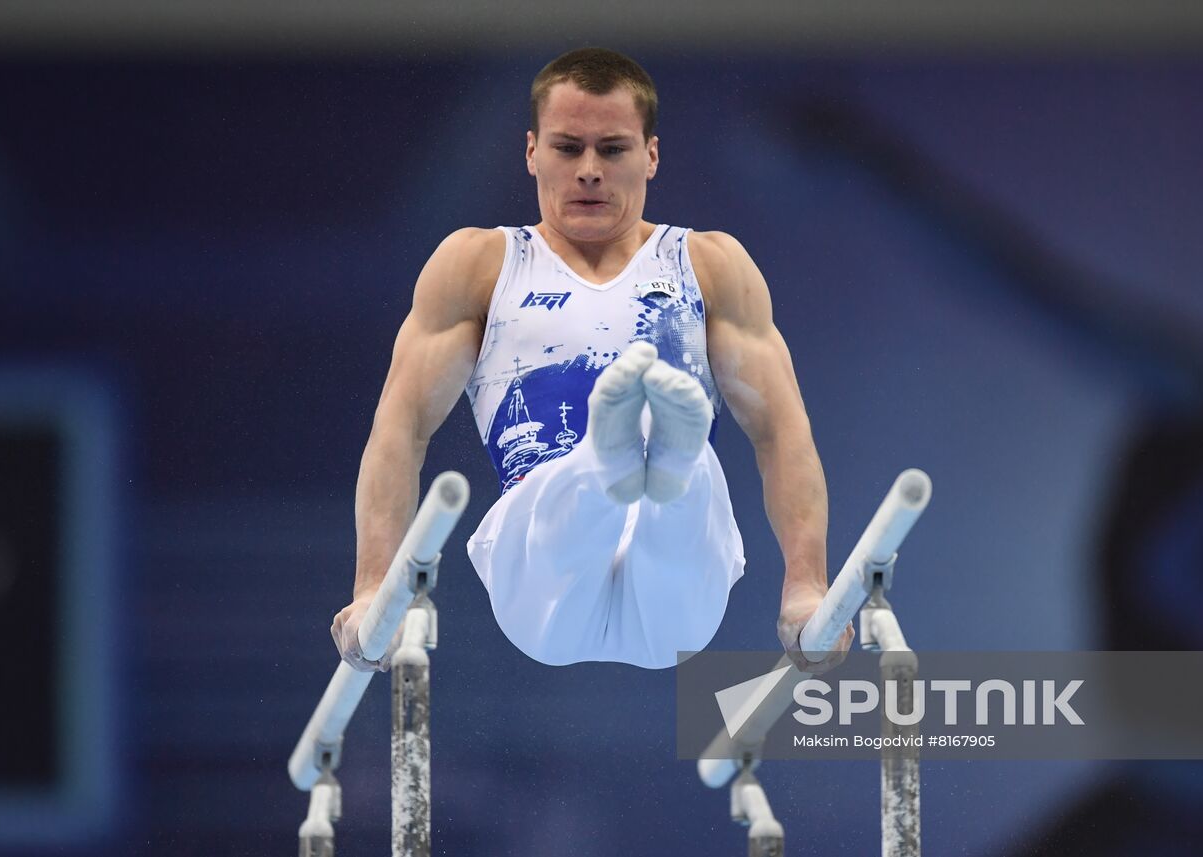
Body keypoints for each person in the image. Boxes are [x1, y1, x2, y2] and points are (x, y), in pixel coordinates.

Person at [331, 47, 852, 671]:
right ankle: (618, 457)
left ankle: (660, 459)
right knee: (569, 497)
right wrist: (372, 589)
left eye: (612, 148)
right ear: (531, 152)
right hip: (543, 576)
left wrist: (807, 588)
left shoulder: (710, 266)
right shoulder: (480, 266)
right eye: (567, 147)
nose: (588, 170)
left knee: (690, 490)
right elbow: (400, 428)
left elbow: (781, 431)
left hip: (675, 605)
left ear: (650, 155)